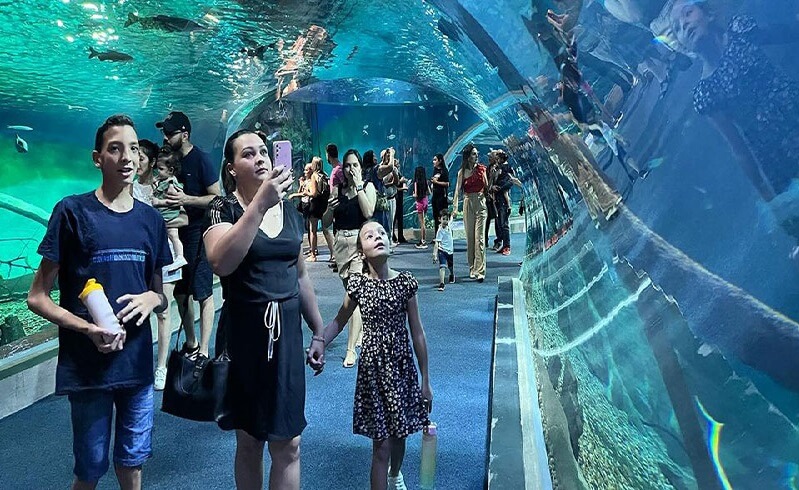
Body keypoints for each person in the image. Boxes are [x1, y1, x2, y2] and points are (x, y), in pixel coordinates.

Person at [27, 115, 171, 490]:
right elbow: (37, 297)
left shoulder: (152, 221)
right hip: (88, 369)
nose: (127, 157)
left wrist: (152, 297)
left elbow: (160, 295)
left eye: (133, 148)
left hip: (136, 366)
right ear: (97, 158)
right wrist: (88, 328)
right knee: (89, 469)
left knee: (133, 464)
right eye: (115, 148)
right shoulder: (72, 213)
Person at [203, 130, 325, 490]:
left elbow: (300, 275)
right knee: (250, 440)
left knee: (289, 442)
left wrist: (318, 330)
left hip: (287, 338)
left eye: (262, 152)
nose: (259, 158)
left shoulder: (290, 211)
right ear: (231, 168)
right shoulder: (222, 208)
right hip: (244, 337)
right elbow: (221, 262)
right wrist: (259, 205)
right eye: (247, 154)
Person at [307, 221, 432, 490]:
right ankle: (387, 475)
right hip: (373, 372)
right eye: (369, 235)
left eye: (382, 233)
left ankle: (395, 474)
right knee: (381, 445)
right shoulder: (358, 285)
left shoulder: (405, 283)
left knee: (400, 433)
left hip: (401, 369)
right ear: (361, 251)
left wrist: (426, 381)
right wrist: (320, 342)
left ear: (390, 243)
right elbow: (339, 321)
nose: (377, 237)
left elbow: (418, 333)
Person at [671, 1, 799, 236]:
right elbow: (738, 148)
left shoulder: (741, 31)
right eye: (677, 27)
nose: (684, 24)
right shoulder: (706, 93)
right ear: (681, 45)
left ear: (708, 14)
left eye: (688, 13)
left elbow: (785, 33)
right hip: (775, 154)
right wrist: (768, 197)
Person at [157, 111, 220, 361]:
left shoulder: (201, 159)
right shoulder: (168, 160)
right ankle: (191, 342)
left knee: (203, 292)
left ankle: (204, 349)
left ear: (184, 134)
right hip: (174, 234)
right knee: (181, 293)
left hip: (198, 233)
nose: (165, 137)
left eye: (170, 133)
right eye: (164, 132)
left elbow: (216, 197)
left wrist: (186, 199)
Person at [135, 139, 184, 391]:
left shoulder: (164, 185)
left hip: (164, 252)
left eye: (141, 157)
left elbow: (182, 215)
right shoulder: (129, 188)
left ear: (152, 162)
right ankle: (138, 362)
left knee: (163, 311)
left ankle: (162, 366)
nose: (136, 161)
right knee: (137, 309)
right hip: (138, 256)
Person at [331, 149, 376, 367]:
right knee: (353, 298)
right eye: (347, 165)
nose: (351, 169)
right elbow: (327, 220)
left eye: (355, 165)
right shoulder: (338, 190)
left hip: (359, 247)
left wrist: (358, 186)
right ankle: (362, 329)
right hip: (340, 245)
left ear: (361, 166)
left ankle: (350, 350)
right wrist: (328, 208)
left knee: (353, 296)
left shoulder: (367, 187)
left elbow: (368, 212)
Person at [451, 144, 488, 282]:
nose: (476, 156)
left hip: (480, 203)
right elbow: (457, 191)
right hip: (468, 203)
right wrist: (455, 208)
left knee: (480, 238)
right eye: (473, 154)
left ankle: (480, 270)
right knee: (470, 238)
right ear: (467, 156)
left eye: (477, 153)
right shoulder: (462, 172)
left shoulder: (482, 169)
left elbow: (487, 187)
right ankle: (472, 267)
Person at [151, 148, 188, 271]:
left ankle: (180, 257)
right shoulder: (164, 181)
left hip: (170, 214)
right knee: (171, 235)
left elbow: (173, 200)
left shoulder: (171, 184)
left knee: (173, 235)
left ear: (171, 170)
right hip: (165, 214)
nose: (158, 171)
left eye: (161, 169)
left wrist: (159, 202)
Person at [306, 156, 334, 262]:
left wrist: (306, 192)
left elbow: (314, 193)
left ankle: (313, 255)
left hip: (315, 205)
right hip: (324, 204)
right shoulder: (325, 175)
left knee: (313, 230)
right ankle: (333, 253)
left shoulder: (314, 176)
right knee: (326, 230)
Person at [323, 143, 344, 272]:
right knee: (336, 233)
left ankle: (340, 261)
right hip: (335, 206)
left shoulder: (338, 169)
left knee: (339, 233)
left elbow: (345, 184)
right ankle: (338, 260)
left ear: (328, 154)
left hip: (338, 206)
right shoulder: (336, 169)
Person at [491, 150, 516, 256]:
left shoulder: (506, 169)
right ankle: (503, 244)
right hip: (498, 199)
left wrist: (500, 188)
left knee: (504, 224)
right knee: (500, 223)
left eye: (498, 158)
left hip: (503, 201)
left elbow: (511, 182)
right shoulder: (497, 168)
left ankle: (507, 246)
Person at [432, 210, 455, 291]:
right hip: (442, 251)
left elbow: (452, 217)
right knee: (442, 267)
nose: (445, 221)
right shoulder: (440, 231)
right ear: (439, 219)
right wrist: (435, 254)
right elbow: (437, 243)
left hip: (450, 251)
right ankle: (442, 283)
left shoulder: (449, 225)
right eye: (443, 219)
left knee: (450, 266)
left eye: (446, 219)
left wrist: (453, 212)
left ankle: (452, 274)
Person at [430, 153, 450, 236]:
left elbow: (447, 184)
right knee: (436, 217)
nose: (433, 162)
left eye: (435, 160)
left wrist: (437, 182)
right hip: (435, 196)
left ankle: (444, 235)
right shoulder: (435, 170)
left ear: (440, 161)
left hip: (442, 197)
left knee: (443, 216)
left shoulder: (444, 171)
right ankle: (437, 235)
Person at [412, 166, 430, 248]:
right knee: (424, 222)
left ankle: (423, 241)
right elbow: (429, 192)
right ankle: (423, 240)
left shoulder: (416, 182)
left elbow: (416, 195)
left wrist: (413, 194)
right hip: (425, 201)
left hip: (419, 202)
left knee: (421, 223)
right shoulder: (425, 181)